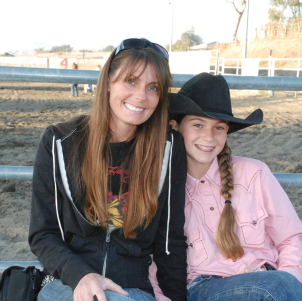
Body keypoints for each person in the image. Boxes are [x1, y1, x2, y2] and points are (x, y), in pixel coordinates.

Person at [29, 38, 188, 301]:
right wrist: (80, 275)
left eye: (153, 87)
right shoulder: (60, 141)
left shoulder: (168, 148)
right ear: (107, 84)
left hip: (132, 290)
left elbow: (170, 241)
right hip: (68, 284)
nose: (141, 96)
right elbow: (43, 233)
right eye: (131, 81)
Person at [149, 72, 302, 301]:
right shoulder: (163, 187)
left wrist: (289, 278)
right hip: (206, 288)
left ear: (227, 131)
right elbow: (154, 259)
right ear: (175, 126)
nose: (209, 137)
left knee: (275, 286)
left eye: (219, 128)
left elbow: (292, 239)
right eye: (198, 125)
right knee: (271, 289)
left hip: (269, 280)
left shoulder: (254, 174)